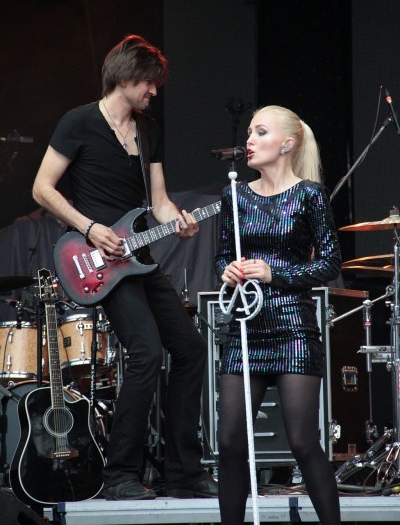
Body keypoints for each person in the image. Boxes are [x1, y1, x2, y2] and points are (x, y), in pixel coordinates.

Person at [32, 34, 218, 501]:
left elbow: (158, 201)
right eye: (149, 83)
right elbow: (42, 188)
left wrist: (179, 220)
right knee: (146, 353)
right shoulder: (78, 122)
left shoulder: (149, 129)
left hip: (139, 259)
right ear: (126, 76)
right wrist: (90, 227)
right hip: (96, 259)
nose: (154, 91)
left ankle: (183, 472)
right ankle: (119, 475)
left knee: (191, 349)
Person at [215, 105, 342, 525]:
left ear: (287, 144)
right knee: (229, 442)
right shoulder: (234, 194)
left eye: (260, 132)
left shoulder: (310, 194)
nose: (249, 140)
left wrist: (276, 273)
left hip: (292, 328)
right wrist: (228, 270)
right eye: (249, 132)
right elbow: (221, 256)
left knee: (303, 442)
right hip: (245, 328)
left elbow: (330, 263)